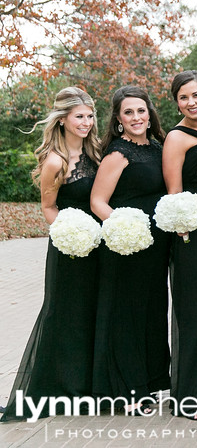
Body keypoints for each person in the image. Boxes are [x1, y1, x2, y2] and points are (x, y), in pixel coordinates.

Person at [1, 88, 102, 422]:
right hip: (70, 247)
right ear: (62, 120)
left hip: (98, 246)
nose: (86, 122)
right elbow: (48, 208)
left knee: (91, 312)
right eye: (79, 117)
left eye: (90, 116)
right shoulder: (55, 161)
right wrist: (72, 235)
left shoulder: (96, 154)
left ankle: (88, 385)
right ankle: (62, 388)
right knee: (65, 314)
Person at [90, 86, 170, 415]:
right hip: (127, 248)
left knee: (152, 313)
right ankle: (130, 392)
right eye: (128, 113)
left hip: (155, 249)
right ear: (119, 120)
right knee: (129, 316)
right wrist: (127, 225)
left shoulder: (158, 148)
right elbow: (98, 202)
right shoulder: (117, 154)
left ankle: (150, 384)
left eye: (141, 111)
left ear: (150, 114)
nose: (136, 117)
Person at [161, 70, 197, 420]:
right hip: (192, 232)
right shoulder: (176, 139)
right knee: (196, 311)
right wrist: (184, 225)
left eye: (196, 94)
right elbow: (174, 192)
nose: (191, 102)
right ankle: (189, 395)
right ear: (177, 102)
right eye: (183, 97)